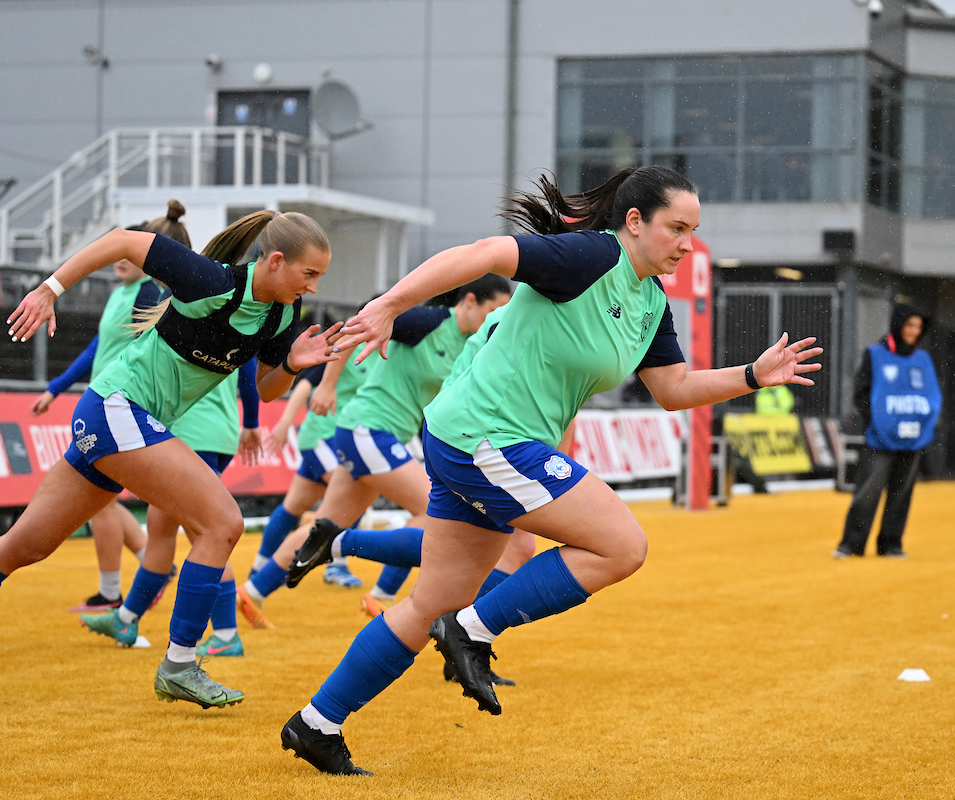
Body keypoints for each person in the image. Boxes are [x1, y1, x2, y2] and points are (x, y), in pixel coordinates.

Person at [278, 166, 823, 776]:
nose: (687, 244)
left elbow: (673, 388)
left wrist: (752, 374)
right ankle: (470, 629)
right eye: (677, 228)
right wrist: (389, 305)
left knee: (426, 602)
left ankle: (316, 723)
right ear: (635, 222)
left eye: (693, 231)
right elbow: (485, 253)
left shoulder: (648, 302)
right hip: (485, 436)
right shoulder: (591, 256)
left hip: (476, 439)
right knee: (621, 546)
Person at [0, 210, 340, 708]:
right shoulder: (212, 280)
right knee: (223, 523)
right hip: (117, 407)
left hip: (121, 419)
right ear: (276, 261)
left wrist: (292, 365)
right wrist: (50, 289)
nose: (313, 288)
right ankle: (180, 664)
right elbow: (122, 241)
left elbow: (269, 391)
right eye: (309, 274)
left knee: (25, 545)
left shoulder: (282, 315)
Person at [237, 276, 511, 628]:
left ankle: (253, 591)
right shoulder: (430, 322)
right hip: (368, 429)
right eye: (494, 310)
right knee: (434, 512)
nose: (496, 321)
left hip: (376, 435)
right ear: (470, 301)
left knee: (327, 526)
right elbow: (358, 327)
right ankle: (380, 597)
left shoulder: (470, 344)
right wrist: (328, 385)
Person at [32, 203, 192, 613]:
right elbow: (96, 349)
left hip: (124, 406)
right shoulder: (122, 293)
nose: (120, 261)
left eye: (129, 255)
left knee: (103, 502)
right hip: (104, 402)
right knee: (103, 501)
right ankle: (146, 569)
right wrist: (56, 388)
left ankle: (112, 593)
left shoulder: (149, 294)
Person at [79, 357, 262, 657]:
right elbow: (249, 367)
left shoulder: (184, 311)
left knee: (205, 531)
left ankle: (226, 634)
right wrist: (251, 421)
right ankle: (126, 619)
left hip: (190, 431)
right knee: (161, 526)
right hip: (217, 429)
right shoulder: (238, 317)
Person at [253, 306, 376, 589]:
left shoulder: (385, 352)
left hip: (338, 439)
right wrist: (284, 423)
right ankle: (337, 565)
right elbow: (308, 384)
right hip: (321, 436)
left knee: (293, 506)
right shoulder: (347, 345)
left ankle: (259, 570)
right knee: (351, 497)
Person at [834, 304, 940, 559]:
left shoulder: (923, 359)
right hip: (879, 439)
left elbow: (933, 396)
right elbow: (861, 393)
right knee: (868, 492)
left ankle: (891, 544)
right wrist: (879, 422)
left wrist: (922, 427)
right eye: (909, 325)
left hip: (912, 438)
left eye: (918, 326)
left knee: (901, 494)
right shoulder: (875, 354)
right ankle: (851, 544)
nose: (914, 331)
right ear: (898, 324)